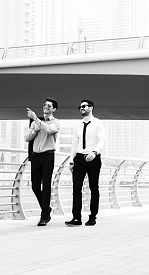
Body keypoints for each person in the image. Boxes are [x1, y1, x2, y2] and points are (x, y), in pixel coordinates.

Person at [65, 99, 106, 227]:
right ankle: (76, 217)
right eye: (80, 107)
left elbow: (102, 140)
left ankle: (92, 217)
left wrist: (94, 152)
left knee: (94, 188)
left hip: (93, 158)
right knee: (76, 188)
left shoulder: (98, 123)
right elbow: (74, 144)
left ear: (91, 108)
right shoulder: (77, 125)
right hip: (79, 159)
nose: (81, 108)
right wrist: (71, 159)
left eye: (84, 106)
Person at [24, 97, 60, 226]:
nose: (46, 107)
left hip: (48, 156)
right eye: (45, 105)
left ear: (54, 109)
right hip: (36, 156)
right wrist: (35, 130)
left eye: (49, 106)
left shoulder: (55, 122)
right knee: (34, 186)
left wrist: (36, 120)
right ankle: (47, 209)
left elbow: (49, 130)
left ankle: (44, 216)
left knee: (46, 185)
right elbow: (27, 138)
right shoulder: (35, 123)